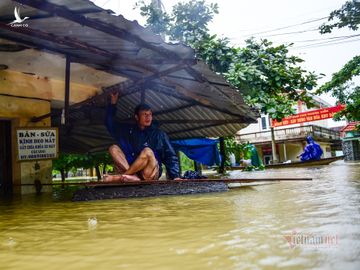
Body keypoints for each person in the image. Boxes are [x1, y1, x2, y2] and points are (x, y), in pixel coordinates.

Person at [103, 92, 180, 182]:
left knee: (147, 151)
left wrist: (175, 176)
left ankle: (124, 176)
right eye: (145, 114)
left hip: (150, 171)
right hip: (131, 167)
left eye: (150, 114)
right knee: (113, 148)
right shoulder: (128, 131)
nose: (148, 117)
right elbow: (110, 124)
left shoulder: (159, 134)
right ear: (136, 117)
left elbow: (170, 155)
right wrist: (112, 104)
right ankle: (133, 177)